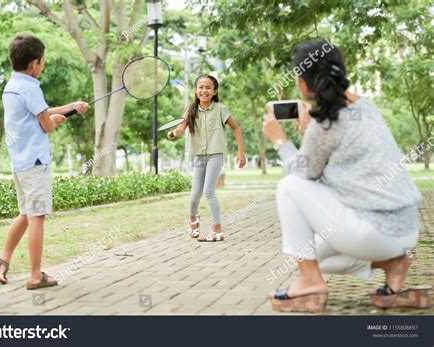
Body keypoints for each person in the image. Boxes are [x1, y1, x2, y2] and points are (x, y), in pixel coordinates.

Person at [262, 39, 429, 313]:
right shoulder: (366, 107)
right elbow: (336, 162)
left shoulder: (326, 123)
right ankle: (392, 264)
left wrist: (280, 141)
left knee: (288, 187)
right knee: (309, 254)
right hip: (406, 229)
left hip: (375, 230)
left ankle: (310, 281)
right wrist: (309, 132)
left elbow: (304, 175)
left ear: (303, 82)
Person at [0, 34, 89, 290]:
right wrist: (55, 121)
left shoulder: (13, 84)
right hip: (35, 163)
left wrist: (72, 106)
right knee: (37, 217)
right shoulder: (32, 87)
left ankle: (3, 256)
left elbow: (41, 110)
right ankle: (35, 276)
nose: (43, 65)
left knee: (26, 213)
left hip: (20, 164)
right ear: (35, 63)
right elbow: (46, 123)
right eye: (42, 61)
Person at [168, 74, 246, 241]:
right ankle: (193, 220)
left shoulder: (220, 108)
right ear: (196, 91)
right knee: (195, 194)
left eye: (208, 87)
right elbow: (181, 129)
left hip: (215, 156)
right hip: (199, 156)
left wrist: (241, 153)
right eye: (201, 87)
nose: (204, 90)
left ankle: (217, 230)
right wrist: (174, 133)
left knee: (209, 192)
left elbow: (236, 128)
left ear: (214, 91)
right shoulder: (190, 110)